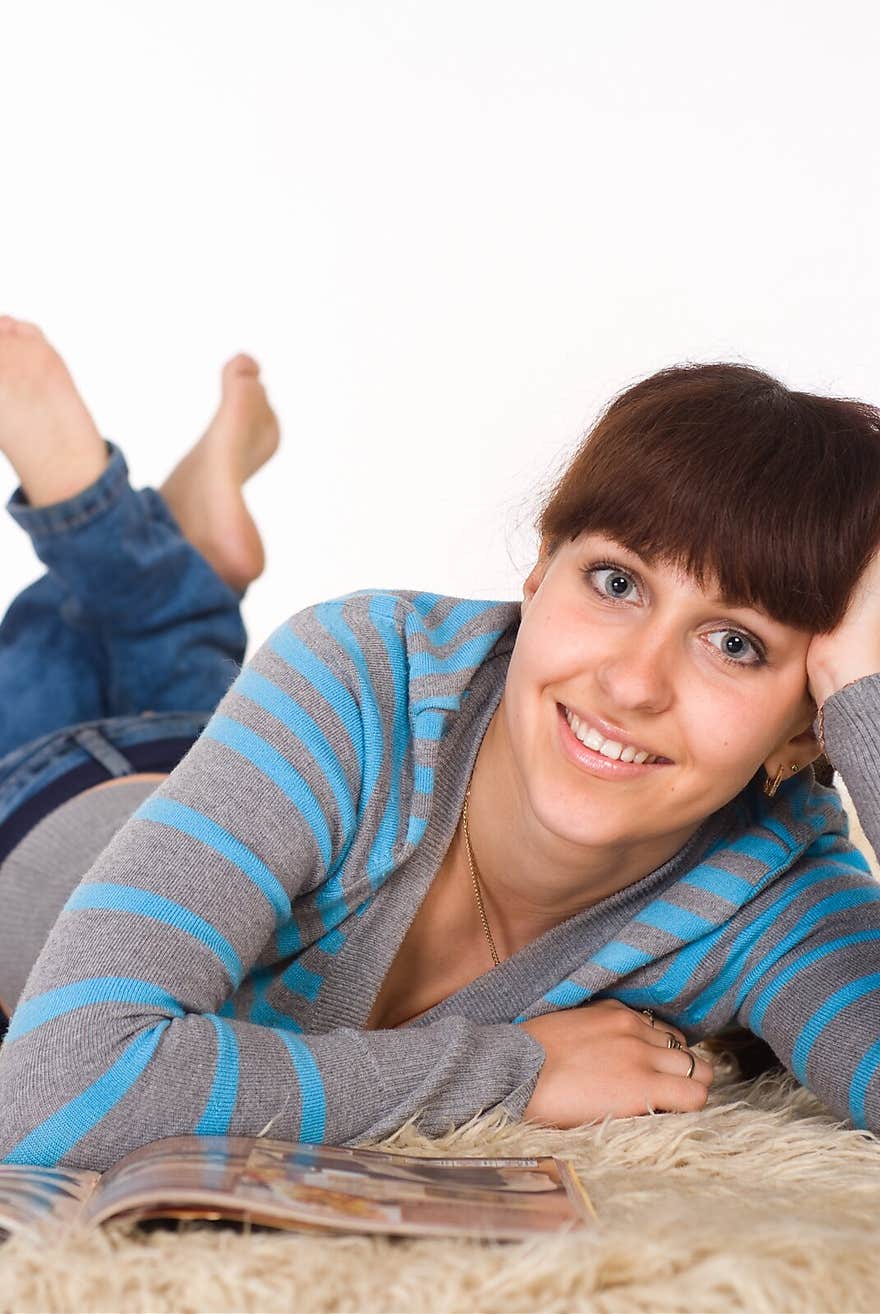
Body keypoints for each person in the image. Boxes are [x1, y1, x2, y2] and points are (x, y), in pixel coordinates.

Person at [0, 318, 879, 1174]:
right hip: (49, 786)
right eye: (616, 582)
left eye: (735, 643)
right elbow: (58, 1088)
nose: (633, 684)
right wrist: (513, 1070)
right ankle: (97, 511)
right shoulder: (366, 670)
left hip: (243, 760)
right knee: (46, 686)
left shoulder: (773, 887)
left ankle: (191, 549)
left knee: (182, 686)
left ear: (810, 721)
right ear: (537, 573)